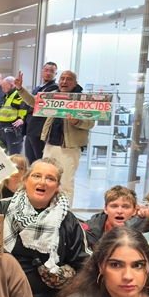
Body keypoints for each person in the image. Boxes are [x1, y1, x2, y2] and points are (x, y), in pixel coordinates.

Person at [0, 156, 89, 297]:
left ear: (58, 186)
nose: (42, 182)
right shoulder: (1, 209)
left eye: (50, 179)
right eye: (36, 176)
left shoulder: (68, 221)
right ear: (25, 180)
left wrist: (65, 275)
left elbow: (85, 265)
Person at [16, 70, 93, 205]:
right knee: (47, 180)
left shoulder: (82, 100)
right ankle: (48, 209)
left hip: (69, 149)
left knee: (66, 183)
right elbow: (34, 102)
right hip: (49, 146)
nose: (64, 81)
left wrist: (76, 121)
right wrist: (20, 89)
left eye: (68, 79)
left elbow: (90, 122)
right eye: (62, 78)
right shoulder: (54, 97)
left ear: (75, 83)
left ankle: (65, 215)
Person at [22, 62, 59, 163]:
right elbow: (28, 104)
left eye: (51, 71)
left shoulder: (54, 88)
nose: (48, 73)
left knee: (39, 159)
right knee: (30, 159)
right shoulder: (38, 87)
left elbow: (36, 103)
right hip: (30, 127)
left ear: (55, 74)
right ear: (42, 72)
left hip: (39, 129)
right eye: (46, 70)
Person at [0, 76, 27, 155]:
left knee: (14, 156)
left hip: (13, 129)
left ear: (11, 85)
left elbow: (26, 108)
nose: (2, 89)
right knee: (0, 154)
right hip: (3, 129)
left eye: (4, 87)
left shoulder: (18, 94)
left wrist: (23, 119)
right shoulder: (8, 95)